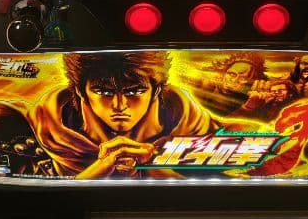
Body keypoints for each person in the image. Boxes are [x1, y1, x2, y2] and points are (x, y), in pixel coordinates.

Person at [23, 51, 216, 179]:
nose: (119, 106)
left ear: (156, 91)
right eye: (104, 92)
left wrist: (150, 165)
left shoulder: (194, 126)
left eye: (134, 91)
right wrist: (101, 167)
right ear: (81, 92)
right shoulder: (41, 126)